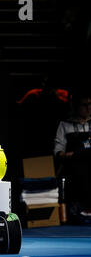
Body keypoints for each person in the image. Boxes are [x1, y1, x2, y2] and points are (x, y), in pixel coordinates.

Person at [54, 92, 91, 222]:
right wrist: (70, 155)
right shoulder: (65, 125)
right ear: (75, 106)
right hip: (74, 168)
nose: (88, 108)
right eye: (84, 105)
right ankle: (81, 210)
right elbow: (58, 152)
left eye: (90, 104)